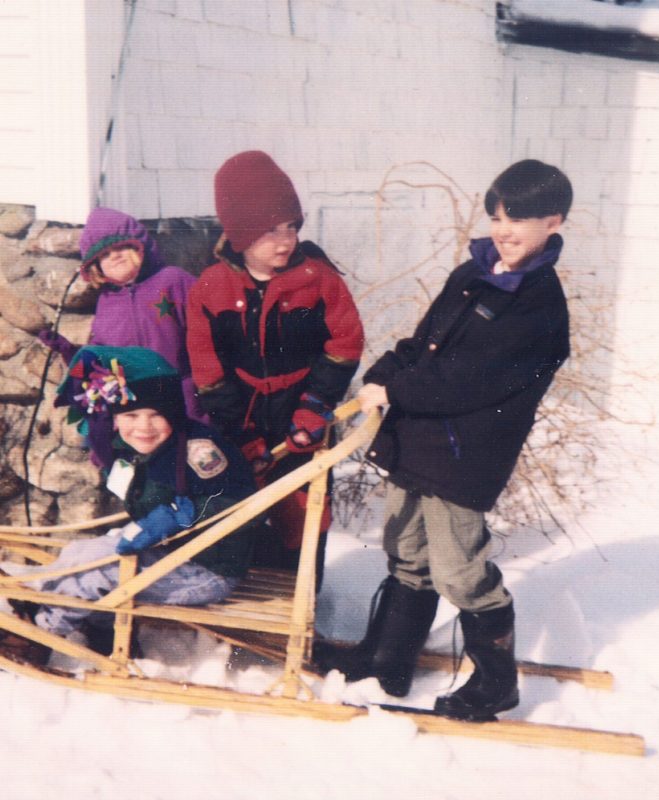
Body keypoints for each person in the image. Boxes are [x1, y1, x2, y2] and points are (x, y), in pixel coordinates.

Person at [314, 159, 572, 721]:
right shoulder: (471, 275)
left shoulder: (538, 306)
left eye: (520, 219)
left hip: (465, 456)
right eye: (498, 216)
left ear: (553, 221)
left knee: (459, 568)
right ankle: (389, 659)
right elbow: (424, 345)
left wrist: (396, 392)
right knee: (405, 548)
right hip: (420, 440)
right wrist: (383, 372)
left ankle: (496, 681)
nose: (504, 230)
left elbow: (467, 382)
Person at [0, 345, 256, 664]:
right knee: (78, 553)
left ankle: (39, 636)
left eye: (155, 415)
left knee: (100, 572)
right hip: (172, 553)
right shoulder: (139, 448)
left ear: (174, 414)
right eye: (131, 415)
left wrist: (183, 515)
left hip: (208, 569)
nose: (143, 427)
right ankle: (89, 622)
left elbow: (235, 500)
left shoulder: (198, 450)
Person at [186, 151, 364, 585]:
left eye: (291, 227)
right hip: (241, 414)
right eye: (270, 230)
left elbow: (345, 343)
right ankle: (240, 601)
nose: (285, 240)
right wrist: (239, 433)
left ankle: (301, 606)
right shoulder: (211, 286)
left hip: (302, 410)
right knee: (237, 512)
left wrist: (314, 409)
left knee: (304, 514)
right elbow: (206, 364)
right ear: (240, 234)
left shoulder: (319, 279)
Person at [38, 207, 203, 471]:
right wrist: (69, 351)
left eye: (121, 248)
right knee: (147, 464)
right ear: (95, 268)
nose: (114, 256)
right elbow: (103, 358)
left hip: (181, 391)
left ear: (141, 248)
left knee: (193, 455)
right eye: (104, 254)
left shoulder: (172, 280)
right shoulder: (107, 303)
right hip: (134, 403)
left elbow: (205, 328)